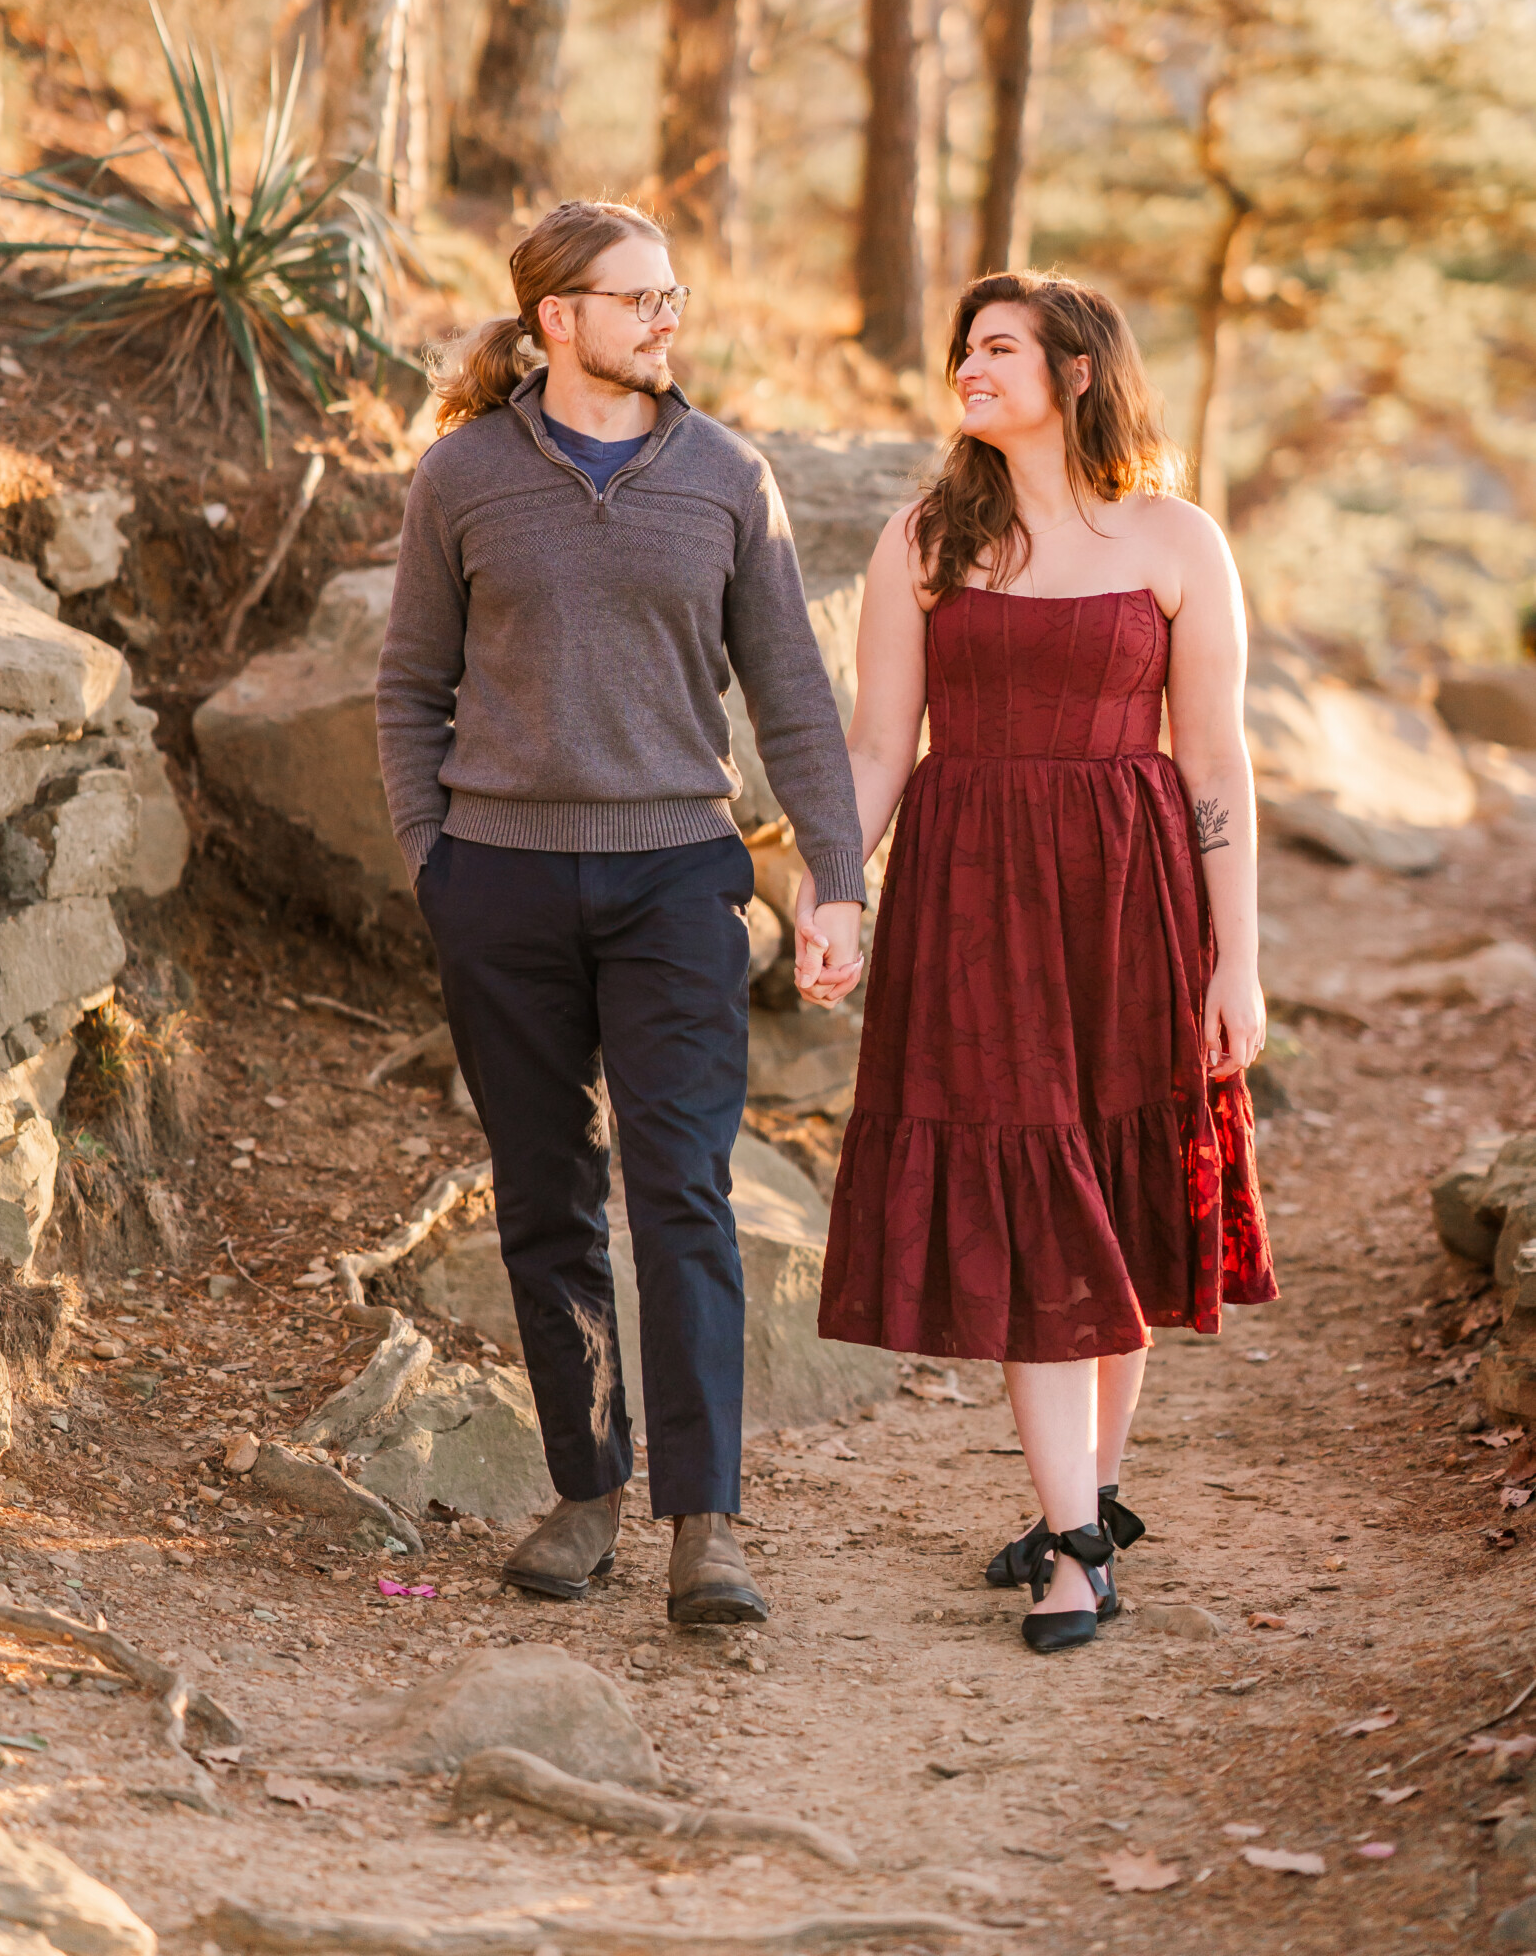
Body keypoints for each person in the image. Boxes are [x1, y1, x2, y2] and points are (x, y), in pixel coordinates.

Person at [375, 198, 865, 1626]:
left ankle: (704, 1523)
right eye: (638, 298)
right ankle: (587, 1494)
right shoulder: (462, 479)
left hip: (674, 881)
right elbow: (411, 686)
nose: (667, 319)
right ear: (558, 323)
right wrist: (436, 861)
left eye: (675, 295)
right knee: (544, 1200)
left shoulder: (727, 476)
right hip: (502, 884)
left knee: (683, 1193)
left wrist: (834, 880)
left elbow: (791, 695)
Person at [799, 269, 1277, 1655]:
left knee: (1118, 1188)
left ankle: (1092, 1490)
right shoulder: (926, 540)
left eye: (1000, 345)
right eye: (964, 345)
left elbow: (1214, 762)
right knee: (1030, 1184)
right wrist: (838, 890)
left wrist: (1235, 959)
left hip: (1134, 898)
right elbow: (881, 746)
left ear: (1077, 371)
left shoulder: (1177, 539)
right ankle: (1075, 1543)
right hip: (974, 905)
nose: (970, 363)